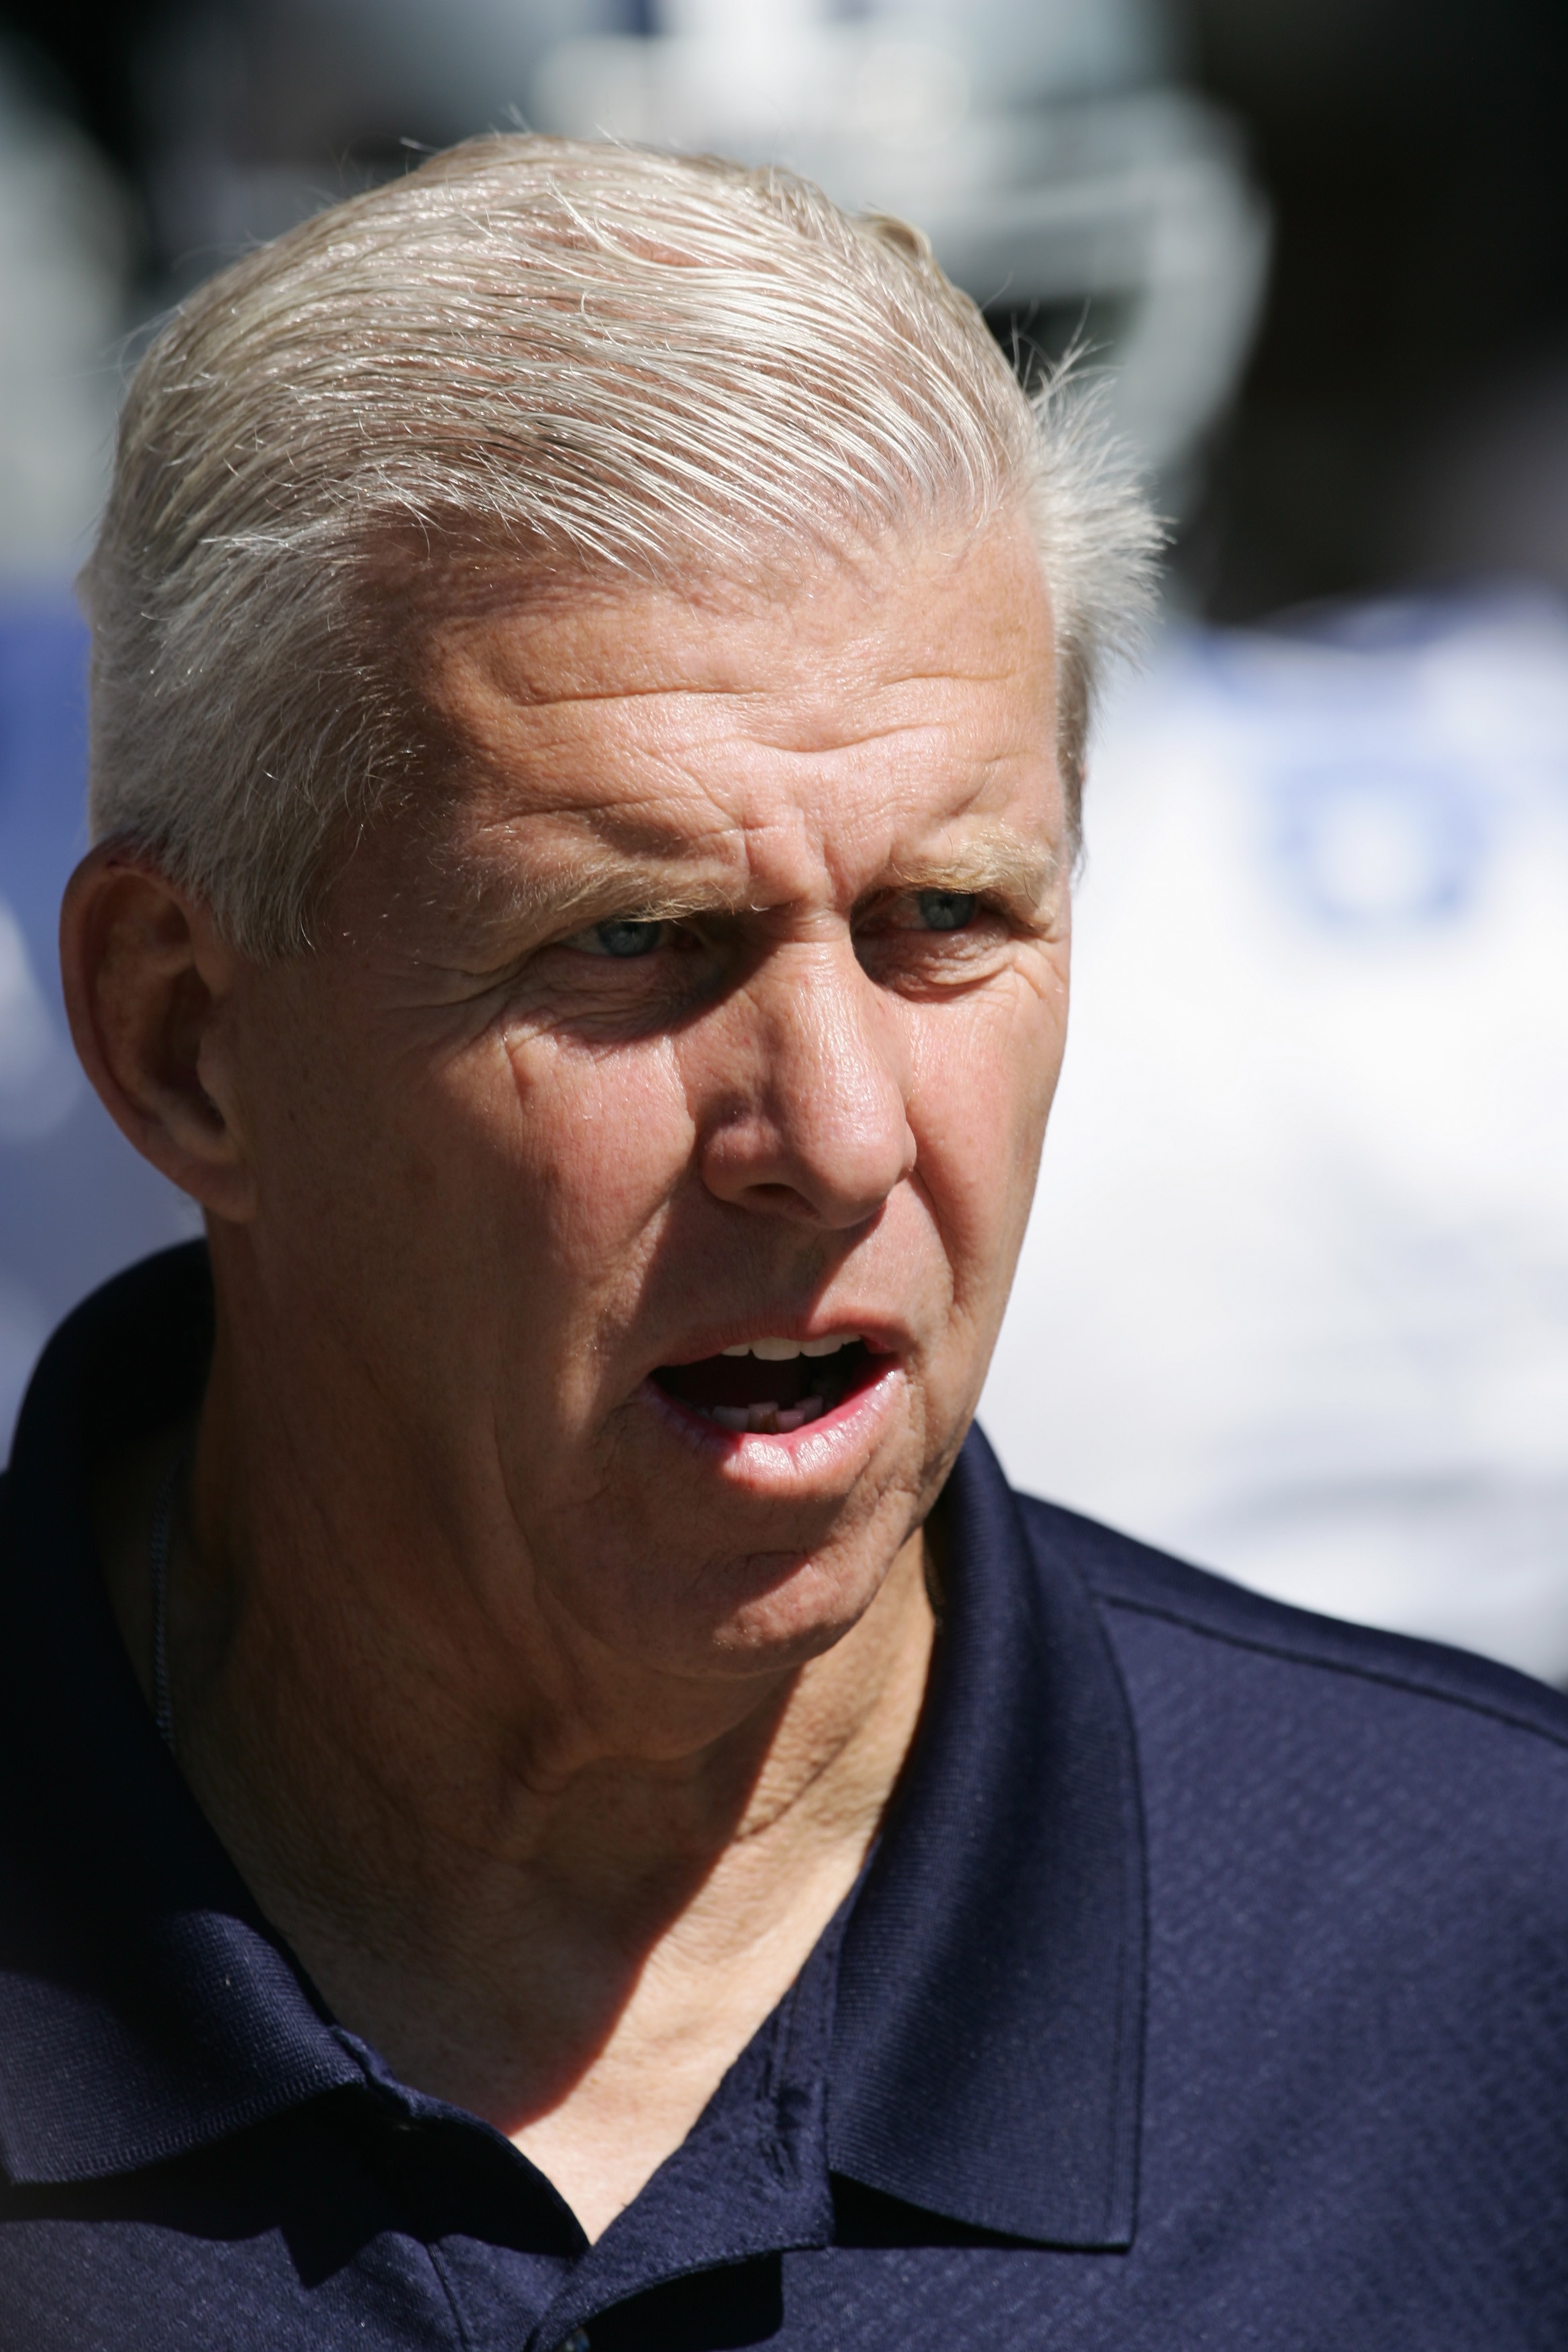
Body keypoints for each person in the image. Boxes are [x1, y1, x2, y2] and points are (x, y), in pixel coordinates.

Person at [0, 136, 1564, 2350]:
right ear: (182, 1041)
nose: (834, 1139)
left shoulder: (1480, 1973)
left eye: (951, 918)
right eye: (632, 941)